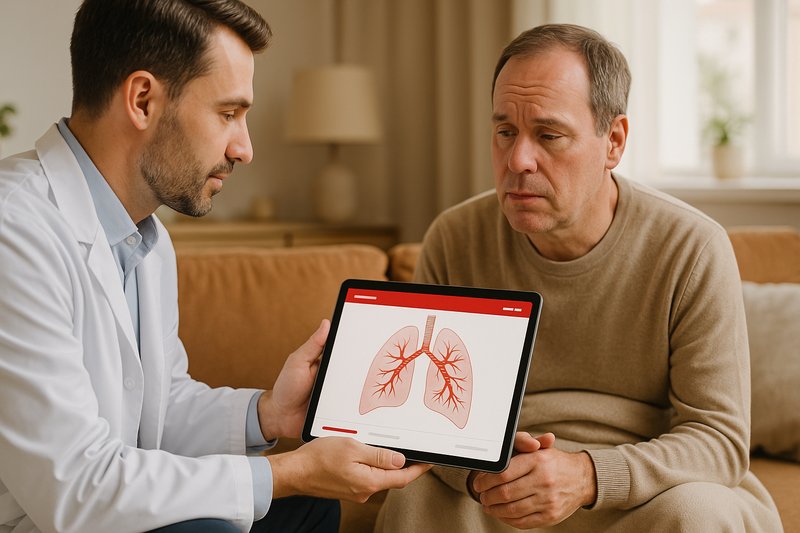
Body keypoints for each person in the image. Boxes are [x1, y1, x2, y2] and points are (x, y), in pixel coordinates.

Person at [0, 1, 430, 532]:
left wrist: (269, 413)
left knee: (307, 512)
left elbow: (158, 410)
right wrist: (287, 471)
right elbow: (76, 487)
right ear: (142, 100)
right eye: (228, 114)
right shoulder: (13, 231)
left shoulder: (146, 240)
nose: (244, 148)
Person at [375, 23, 783, 533]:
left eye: (549, 135)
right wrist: (483, 480)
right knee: (414, 503)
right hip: (497, 488)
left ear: (613, 142)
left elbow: (718, 441)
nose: (518, 160)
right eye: (505, 132)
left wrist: (588, 475)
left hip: (646, 491)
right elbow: (424, 424)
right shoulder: (455, 238)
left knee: (699, 513)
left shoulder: (692, 248)